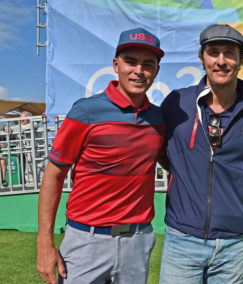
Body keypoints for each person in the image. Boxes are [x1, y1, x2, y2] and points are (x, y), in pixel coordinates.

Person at [36, 27, 165, 284]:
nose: (139, 70)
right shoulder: (85, 112)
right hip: (86, 241)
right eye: (131, 61)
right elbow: (53, 175)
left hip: (136, 242)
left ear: (156, 71)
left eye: (148, 64)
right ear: (116, 65)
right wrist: (44, 243)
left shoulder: (159, 118)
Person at [159, 24, 243, 283]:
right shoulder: (177, 104)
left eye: (229, 53)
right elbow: (163, 152)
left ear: (240, 60)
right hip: (182, 238)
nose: (221, 61)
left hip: (233, 244)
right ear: (202, 59)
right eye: (214, 52)